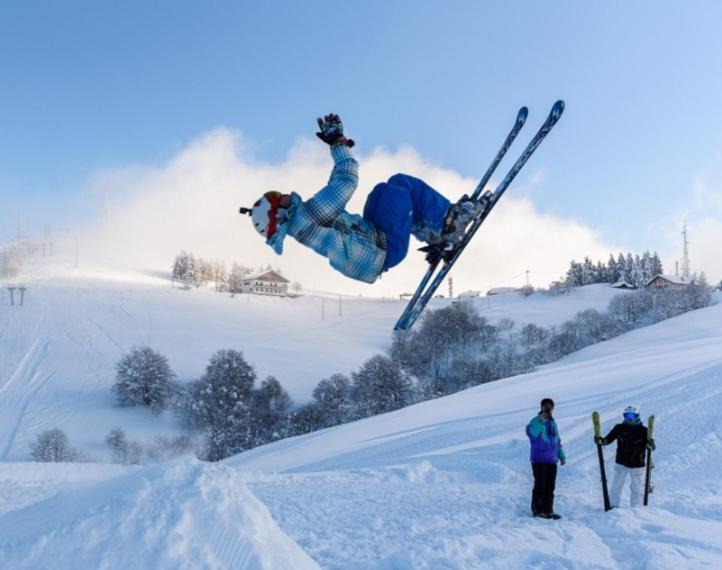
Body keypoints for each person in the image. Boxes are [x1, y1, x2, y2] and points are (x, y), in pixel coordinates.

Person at [240, 114, 483, 284]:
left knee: (381, 192)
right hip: (384, 250)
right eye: (275, 199)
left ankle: (433, 232)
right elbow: (346, 180)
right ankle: (447, 223)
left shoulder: (301, 225)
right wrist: (338, 144)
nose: (282, 194)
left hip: (371, 247)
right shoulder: (307, 215)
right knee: (400, 185)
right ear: (278, 216)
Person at [595, 405, 655, 508]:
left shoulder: (644, 431)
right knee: (616, 486)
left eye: (632, 415)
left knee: (636, 488)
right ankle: (613, 506)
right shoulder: (619, 428)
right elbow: (608, 439)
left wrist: (651, 444)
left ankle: (636, 508)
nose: (629, 418)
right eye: (627, 415)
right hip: (621, 462)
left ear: (637, 416)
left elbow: (651, 446)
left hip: (637, 464)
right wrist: (601, 441)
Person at [526, 398, 566, 519]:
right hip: (539, 459)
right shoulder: (536, 421)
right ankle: (537, 510)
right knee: (540, 485)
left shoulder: (553, 423)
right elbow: (531, 435)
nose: (548, 409)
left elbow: (557, 441)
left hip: (552, 460)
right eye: (545, 406)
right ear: (541, 407)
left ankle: (549, 509)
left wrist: (561, 455)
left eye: (550, 407)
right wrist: (541, 422)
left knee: (550, 486)